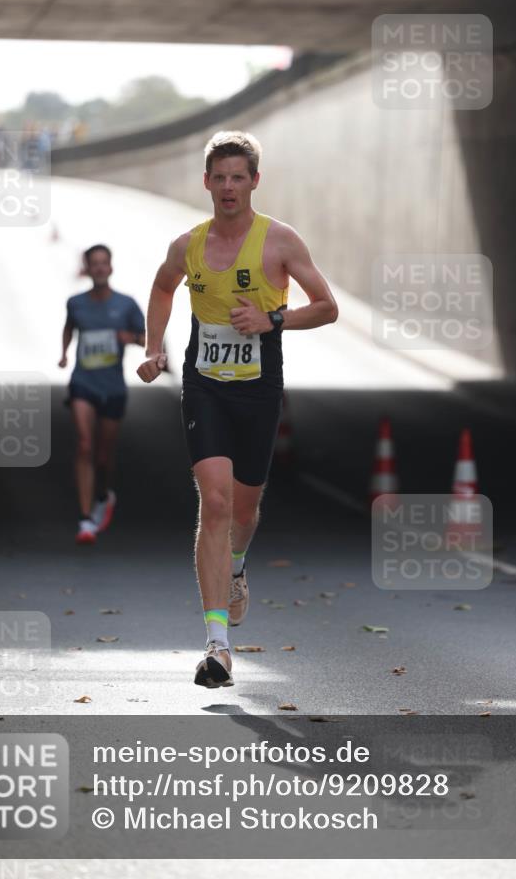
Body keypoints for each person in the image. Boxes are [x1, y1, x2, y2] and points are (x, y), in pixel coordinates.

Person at [137, 131, 338, 688]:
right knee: (216, 501)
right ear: (206, 183)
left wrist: (274, 319)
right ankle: (217, 645)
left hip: (258, 388)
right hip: (205, 386)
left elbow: (327, 308)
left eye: (238, 177)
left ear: (254, 181)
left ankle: (239, 568)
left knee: (245, 512)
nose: (228, 187)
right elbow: (162, 287)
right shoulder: (189, 244)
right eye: (219, 177)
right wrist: (155, 349)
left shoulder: (280, 242)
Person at [59, 244, 145, 544]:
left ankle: (102, 495)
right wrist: (64, 354)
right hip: (83, 382)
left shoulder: (126, 305)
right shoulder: (76, 303)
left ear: (110, 267)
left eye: (103, 263)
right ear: (87, 268)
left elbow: (148, 338)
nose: (98, 268)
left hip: (113, 388)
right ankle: (85, 520)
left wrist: (130, 337)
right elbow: (69, 328)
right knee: (84, 444)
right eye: (93, 263)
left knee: (104, 456)